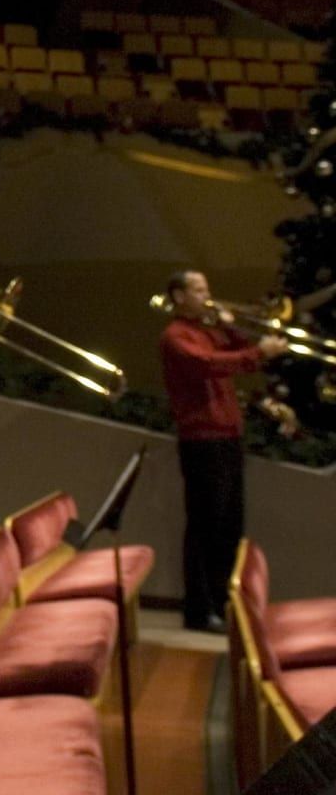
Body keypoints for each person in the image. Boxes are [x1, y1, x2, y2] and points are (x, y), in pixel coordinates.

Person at [159, 269, 288, 633]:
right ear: (178, 296)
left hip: (228, 437)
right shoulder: (176, 337)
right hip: (202, 440)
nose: (207, 296)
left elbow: (237, 348)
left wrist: (233, 327)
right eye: (198, 290)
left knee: (230, 526)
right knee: (205, 527)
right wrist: (258, 352)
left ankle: (224, 603)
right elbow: (210, 365)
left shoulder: (208, 332)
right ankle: (199, 612)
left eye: (207, 289)